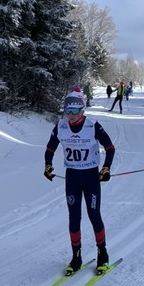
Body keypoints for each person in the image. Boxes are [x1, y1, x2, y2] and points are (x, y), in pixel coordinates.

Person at [44, 88, 116, 274]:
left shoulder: (93, 126)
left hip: (91, 177)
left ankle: (102, 254)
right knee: (74, 218)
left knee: (94, 215)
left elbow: (110, 147)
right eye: (67, 110)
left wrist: (106, 168)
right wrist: (48, 165)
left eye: (75, 110)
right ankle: (76, 257)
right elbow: (50, 149)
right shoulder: (61, 127)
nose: (71, 114)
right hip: (72, 178)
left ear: (82, 110)